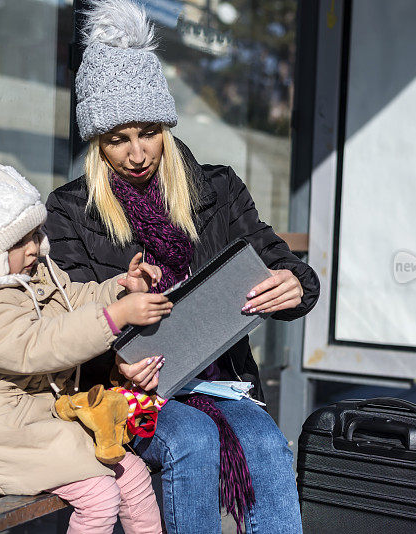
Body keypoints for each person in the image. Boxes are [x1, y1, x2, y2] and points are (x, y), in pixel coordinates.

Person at [44, 1, 320, 532]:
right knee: (191, 439)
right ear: (97, 145)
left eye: (148, 132)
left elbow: (277, 261)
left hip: (219, 379)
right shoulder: (70, 209)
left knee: (264, 442)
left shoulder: (217, 189)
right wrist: (115, 362)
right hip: (121, 393)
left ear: (166, 128)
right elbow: (72, 311)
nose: (137, 153)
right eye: (117, 139)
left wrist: (296, 285)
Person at [0, 127, 170, 534]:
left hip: (37, 417)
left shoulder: (27, 270)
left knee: (133, 474)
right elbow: (37, 346)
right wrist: (116, 317)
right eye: (19, 241)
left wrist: (117, 290)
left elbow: (71, 298)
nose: (36, 249)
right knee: (100, 495)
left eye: (36, 234)